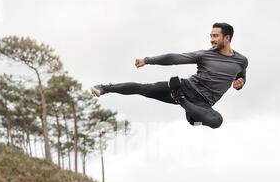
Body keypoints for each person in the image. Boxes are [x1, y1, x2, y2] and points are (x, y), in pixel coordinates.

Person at [91, 22, 248, 129]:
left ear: (227, 38)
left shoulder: (241, 61)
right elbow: (174, 58)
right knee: (143, 88)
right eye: (211, 36)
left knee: (212, 122)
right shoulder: (205, 55)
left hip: (202, 105)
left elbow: (241, 77)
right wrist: (147, 60)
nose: (212, 40)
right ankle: (105, 88)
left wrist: (240, 83)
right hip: (186, 87)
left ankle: (181, 100)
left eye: (216, 36)